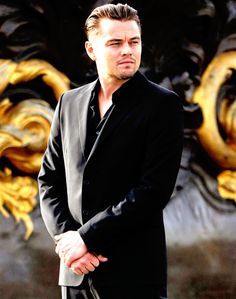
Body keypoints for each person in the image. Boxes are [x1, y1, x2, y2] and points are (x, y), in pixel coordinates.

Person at [38, 3, 183, 299]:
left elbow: (153, 191)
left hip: (134, 276)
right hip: (76, 273)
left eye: (134, 41)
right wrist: (70, 242)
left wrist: (86, 238)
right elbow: (49, 180)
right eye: (115, 43)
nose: (127, 50)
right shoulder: (69, 102)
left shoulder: (163, 105)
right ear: (91, 50)